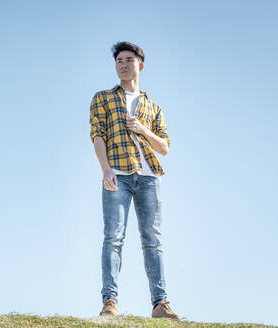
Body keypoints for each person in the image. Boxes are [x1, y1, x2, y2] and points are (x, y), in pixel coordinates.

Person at [89, 41, 179, 320]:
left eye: (128, 59)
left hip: (150, 178)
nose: (123, 64)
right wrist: (105, 169)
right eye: (119, 61)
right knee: (113, 238)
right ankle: (110, 303)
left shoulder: (153, 107)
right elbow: (98, 134)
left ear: (140, 64)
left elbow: (164, 147)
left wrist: (142, 129)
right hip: (118, 174)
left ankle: (160, 304)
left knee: (153, 240)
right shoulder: (102, 98)